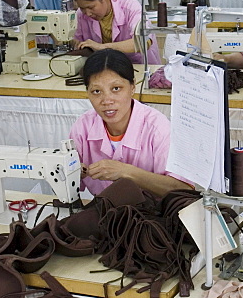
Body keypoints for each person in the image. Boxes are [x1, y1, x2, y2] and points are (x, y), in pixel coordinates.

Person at [69, 49, 190, 196]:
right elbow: (69, 179)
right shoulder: (83, 127)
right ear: (87, 92)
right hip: (106, 212)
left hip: (153, 215)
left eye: (116, 89)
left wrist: (126, 172)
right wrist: (72, 172)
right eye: (96, 91)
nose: (107, 100)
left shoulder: (158, 128)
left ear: (132, 87)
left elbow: (184, 190)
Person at [72, 0, 158, 64]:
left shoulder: (130, 7)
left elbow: (144, 42)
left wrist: (103, 47)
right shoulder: (81, 14)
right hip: (107, 69)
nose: (88, 13)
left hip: (140, 66)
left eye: (91, 7)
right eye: (82, 8)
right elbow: (78, 42)